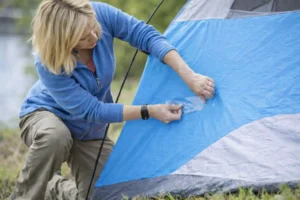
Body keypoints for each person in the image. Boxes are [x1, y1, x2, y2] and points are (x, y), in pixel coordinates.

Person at [10, 0, 215, 199]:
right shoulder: (47, 61)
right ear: (64, 42)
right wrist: (149, 111)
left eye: (93, 27)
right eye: (83, 38)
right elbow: (92, 111)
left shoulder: (99, 13)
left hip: (89, 129)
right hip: (47, 114)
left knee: (111, 193)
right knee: (56, 137)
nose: (95, 36)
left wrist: (189, 75)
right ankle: (25, 195)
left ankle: (51, 186)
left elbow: (146, 36)